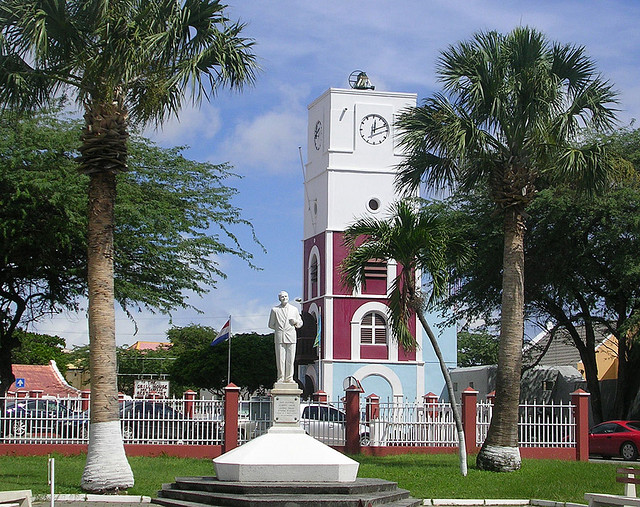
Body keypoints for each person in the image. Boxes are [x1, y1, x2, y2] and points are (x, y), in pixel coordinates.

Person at [268, 291, 303, 384]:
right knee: (280, 359)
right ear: (279, 299)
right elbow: (271, 324)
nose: (284, 298)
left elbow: (300, 323)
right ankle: (281, 377)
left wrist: (295, 322)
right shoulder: (274, 310)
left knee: (290, 359)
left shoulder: (294, 309)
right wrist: (279, 328)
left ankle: (289, 378)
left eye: (286, 296)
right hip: (279, 336)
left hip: (291, 336)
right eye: (282, 297)